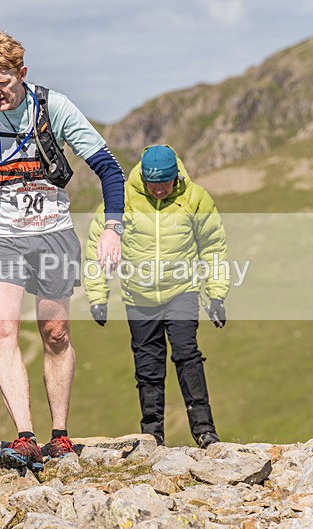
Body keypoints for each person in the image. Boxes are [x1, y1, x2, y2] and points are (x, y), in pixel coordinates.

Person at [0, 31, 125, 472]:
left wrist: (113, 229)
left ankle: (59, 435)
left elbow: (109, 168)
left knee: (55, 333)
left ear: (21, 73)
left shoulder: (54, 108)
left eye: (2, 82)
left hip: (52, 232)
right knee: (1, 328)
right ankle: (25, 436)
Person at [83, 144, 228, 448]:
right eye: (153, 185)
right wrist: (98, 295)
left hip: (182, 291)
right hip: (139, 296)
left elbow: (213, 246)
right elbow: (98, 244)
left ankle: (204, 430)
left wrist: (216, 294)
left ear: (176, 176)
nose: (160, 190)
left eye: (165, 184)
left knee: (187, 354)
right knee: (148, 367)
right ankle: (152, 435)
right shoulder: (121, 199)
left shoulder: (195, 198)